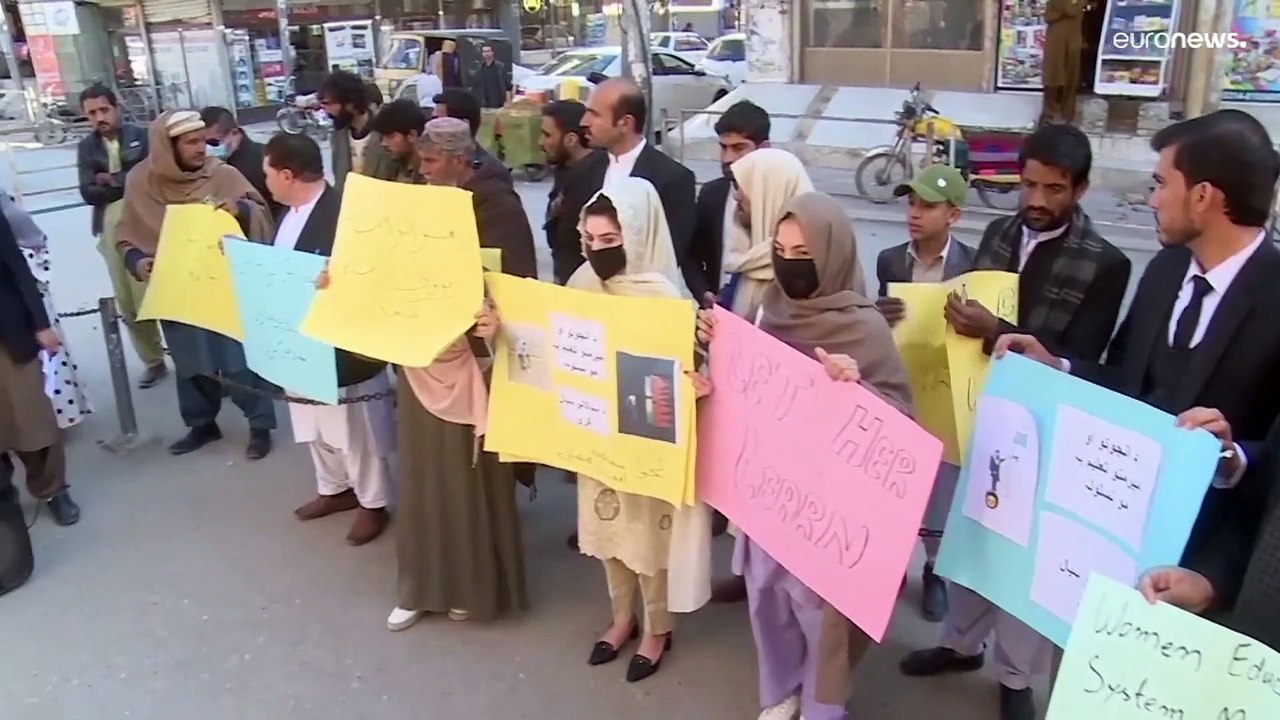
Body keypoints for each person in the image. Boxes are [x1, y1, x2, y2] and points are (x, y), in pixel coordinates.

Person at [993, 110, 1280, 621]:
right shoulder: (1165, 269)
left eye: (1160, 183)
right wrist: (1057, 365)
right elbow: (1125, 379)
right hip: (1109, 545)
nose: (1150, 200)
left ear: (1203, 196)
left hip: (1206, 578)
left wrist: (1232, 459)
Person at [899, 123, 1131, 720]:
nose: (1036, 201)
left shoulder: (1106, 262)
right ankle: (959, 645)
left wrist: (997, 332)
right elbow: (966, 305)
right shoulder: (1001, 230)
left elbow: (1081, 355)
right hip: (977, 414)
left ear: (1079, 190)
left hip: (1046, 428)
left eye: (1053, 190)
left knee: (1024, 560)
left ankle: (1016, 679)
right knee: (970, 538)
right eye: (1028, 184)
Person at [695, 191, 911, 720]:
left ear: (833, 253)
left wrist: (855, 388)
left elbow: (903, 425)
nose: (791, 263)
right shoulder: (771, 307)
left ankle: (822, 703)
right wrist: (713, 353)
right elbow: (751, 389)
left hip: (830, 515)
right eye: (782, 250)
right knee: (769, 599)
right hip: (772, 497)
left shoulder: (865, 328)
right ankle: (782, 688)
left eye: (804, 252)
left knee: (823, 616)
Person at [554, 176, 712, 682]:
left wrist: (699, 368)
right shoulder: (582, 283)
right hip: (597, 433)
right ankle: (621, 618)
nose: (599, 251)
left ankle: (657, 628)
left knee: (646, 537)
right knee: (605, 529)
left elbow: (692, 366)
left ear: (638, 233)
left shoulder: (664, 296)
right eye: (592, 240)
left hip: (646, 437)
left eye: (611, 240)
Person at [385, 117, 536, 632]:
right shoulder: (420, 199)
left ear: (458, 160)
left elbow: (518, 286)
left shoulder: (499, 208)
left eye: (430, 163)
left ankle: (473, 585)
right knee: (423, 476)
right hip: (419, 354)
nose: (422, 172)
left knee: (466, 479)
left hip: (476, 360)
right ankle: (423, 584)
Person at [115, 110, 278, 459]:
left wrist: (238, 209)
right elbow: (126, 237)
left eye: (203, 140)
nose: (201, 148)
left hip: (225, 286)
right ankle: (202, 424)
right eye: (190, 142)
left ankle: (260, 425)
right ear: (166, 146)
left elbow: (260, 212)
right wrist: (140, 262)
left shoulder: (222, 174)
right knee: (190, 363)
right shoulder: (141, 181)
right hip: (178, 287)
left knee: (239, 360)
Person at [264, 133, 396, 546]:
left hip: (341, 343)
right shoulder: (287, 212)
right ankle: (334, 488)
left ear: (287, 175)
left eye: (267, 173)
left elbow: (372, 274)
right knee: (312, 422)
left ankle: (373, 503)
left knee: (354, 429)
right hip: (298, 337)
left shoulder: (344, 214)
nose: (264, 181)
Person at [875, 162, 978, 623]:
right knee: (895, 484)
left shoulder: (974, 264)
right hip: (901, 384)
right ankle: (888, 566)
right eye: (911, 203)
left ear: (953, 215)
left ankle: (935, 570)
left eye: (928, 206)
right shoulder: (891, 260)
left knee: (943, 488)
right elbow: (878, 319)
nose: (915, 214)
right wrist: (878, 314)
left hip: (949, 392)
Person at [555, 78, 696, 290]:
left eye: (595, 114)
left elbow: (667, 253)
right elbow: (566, 244)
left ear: (625, 123)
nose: (584, 121)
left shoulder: (673, 179)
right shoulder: (582, 172)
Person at [76, 83, 166, 388]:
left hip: (148, 221)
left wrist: (110, 180)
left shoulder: (143, 137)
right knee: (127, 301)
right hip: (109, 227)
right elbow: (88, 192)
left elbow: (149, 178)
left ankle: (192, 361)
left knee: (159, 292)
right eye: (92, 113)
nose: (99, 117)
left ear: (117, 108)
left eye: (104, 109)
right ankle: (153, 360)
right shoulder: (87, 148)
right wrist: (120, 181)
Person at [0, 208, 80, 526]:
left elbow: (16, 266)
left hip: (7, 334)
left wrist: (40, 324)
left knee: (33, 419)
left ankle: (51, 490)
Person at [7, 193, 91, 429]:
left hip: (27, 295)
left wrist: (40, 322)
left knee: (44, 363)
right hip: (21, 294)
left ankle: (54, 417)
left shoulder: (8, 210)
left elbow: (27, 255)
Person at [691, 99, 770, 303]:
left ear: (765, 148)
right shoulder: (712, 194)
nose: (727, 158)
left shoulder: (780, 197)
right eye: (723, 148)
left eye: (738, 148)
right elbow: (691, 254)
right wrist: (704, 293)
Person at [319, 70, 400, 188]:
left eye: (329, 104)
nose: (327, 111)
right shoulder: (338, 135)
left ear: (350, 103)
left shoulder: (386, 132)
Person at [539, 100, 591, 275]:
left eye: (547, 135)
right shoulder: (563, 171)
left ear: (570, 139)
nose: (541, 142)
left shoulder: (592, 180)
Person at [200, 106, 280, 215]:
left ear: (234, 133)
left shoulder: (264, 160)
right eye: (202, 142)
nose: (206, 148)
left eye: (213, 142)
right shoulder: (211, 165)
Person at [431, 88, 512, 184]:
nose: (431, 126)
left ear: (464, 125)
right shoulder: (429, 164)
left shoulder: (488, 173)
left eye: (439, 121)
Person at [1041, 0, 1087, 124]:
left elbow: (1073, 11)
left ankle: (1065, 116)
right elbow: (1052, 15)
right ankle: (1049, 115)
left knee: (1070, 79)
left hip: (1072, 42)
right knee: (1053, 77)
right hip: (1057, 41)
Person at [372, 98, 427, 182]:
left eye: (390, 136)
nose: (384, 143)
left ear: (412, 135)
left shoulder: (431, 173)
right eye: (382, 137)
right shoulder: (390, 166)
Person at [471, 42, 510, 109]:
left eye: (488, 51)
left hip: (498, 100)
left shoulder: (500, 67)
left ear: (492, 52)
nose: (486, 53)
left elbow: (507, 85)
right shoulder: (480, 68)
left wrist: (508, 100)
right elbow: (476, 85)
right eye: (484, 52)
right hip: (484, 101)